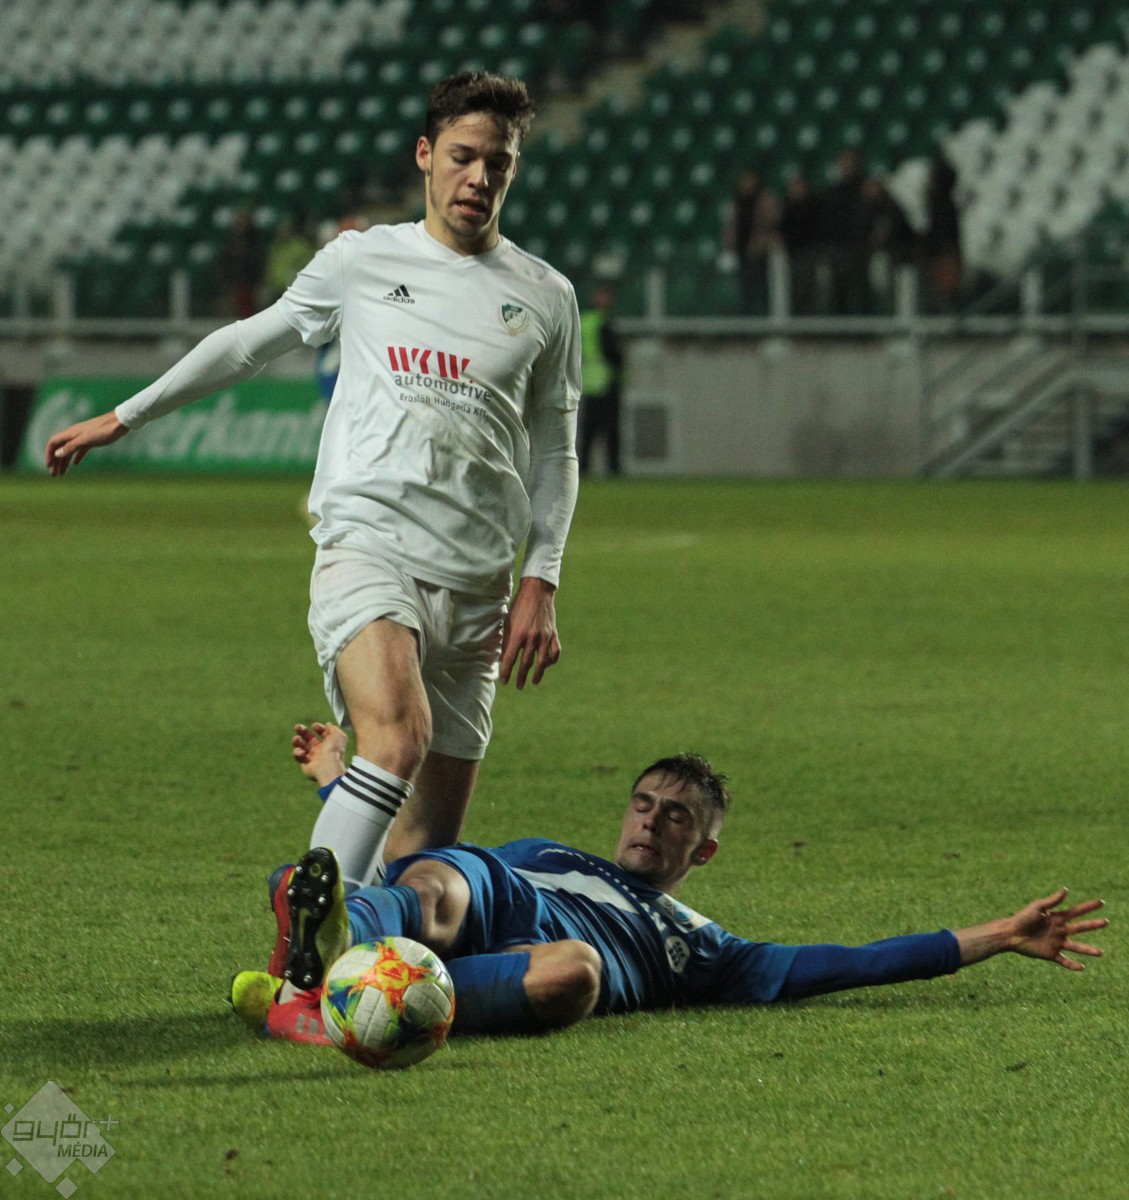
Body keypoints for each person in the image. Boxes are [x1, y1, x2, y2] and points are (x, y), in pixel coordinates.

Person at [44, 72, 582, 893]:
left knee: (420, 856)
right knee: (396, 741)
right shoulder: (362, 260)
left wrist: (540, 579)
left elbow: (556, 453)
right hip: (369, 546)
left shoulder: (546, 296)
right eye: (463, 157)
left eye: (497, 164)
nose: (478, 178)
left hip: (479, 582)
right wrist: (127, 414)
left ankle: (348, 944)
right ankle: (299, 948)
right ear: (425, 154)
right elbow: (246, 344)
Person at [229, 722, 1109, 1043]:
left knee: (576, 972)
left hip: (540, 962)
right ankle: (333, 943)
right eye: (644, 804)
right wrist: (339, 782)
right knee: (440, 881)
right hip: (500, 897)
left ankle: (329, 990)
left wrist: (998, 935)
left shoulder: (709, 949)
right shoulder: (552, 855)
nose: (650, 822)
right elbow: (407, 847)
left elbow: (850, 962)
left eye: (675, 817)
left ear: (704, 851)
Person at [577, 282, 624, 476]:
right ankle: (613, 467)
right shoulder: (602, 322)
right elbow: (612, 353)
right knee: (611, 429)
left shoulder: (583, 320)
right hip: (605, 380)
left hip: (588, 380)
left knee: (588, 429)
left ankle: (584, 467)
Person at [723, 168, 780, 316]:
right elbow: (730, 225)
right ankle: (745, 319)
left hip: (759, 251)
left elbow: (772, 222)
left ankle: (764, 317)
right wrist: (729, 244)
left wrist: (763, 241)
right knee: (744, 288)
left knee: (761, 287)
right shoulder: (736, 201)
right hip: (741, 250)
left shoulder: (764, 200)